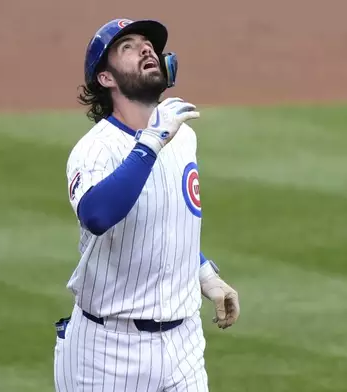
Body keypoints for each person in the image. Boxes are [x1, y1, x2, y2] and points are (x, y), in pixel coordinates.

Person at [52, 17, 241, 392]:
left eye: (148, 44)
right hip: (106, 352)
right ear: (106, 79)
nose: (145, 49)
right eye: (128, 47)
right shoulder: (95, 149)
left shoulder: (182, 136)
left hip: (183, 344)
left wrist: (206, 277)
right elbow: (97, 214)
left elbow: (168, 223)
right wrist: (152, 142)